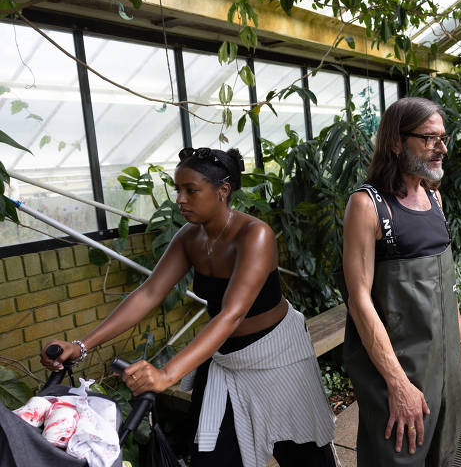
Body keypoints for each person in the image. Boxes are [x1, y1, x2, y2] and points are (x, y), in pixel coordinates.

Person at [40, 147, 336, 467]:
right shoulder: (189, 237)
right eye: (177, 190)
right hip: (226, 360)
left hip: (278, 356)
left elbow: (232, 314)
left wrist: (167, 373)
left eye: (191, 191)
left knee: (305, 455)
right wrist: (80, 345)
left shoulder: (255, 235)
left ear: (222, 191)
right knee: (211, 457)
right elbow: (148, 294)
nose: (180, 199)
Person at [342, 97, 461, 466]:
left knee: (442, 454)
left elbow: (445, 284)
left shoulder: (434, 196)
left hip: (444, 365)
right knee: (397, 456)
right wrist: (398, 383)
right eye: (430, 139)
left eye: (443, 138)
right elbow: (359, 301)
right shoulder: (368, 205)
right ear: (396, 142)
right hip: (400, 370)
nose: (442, 149)